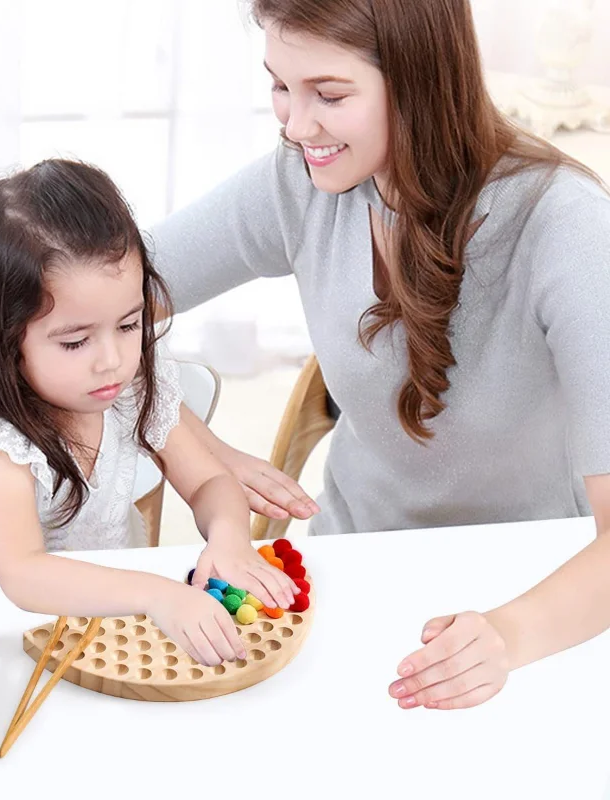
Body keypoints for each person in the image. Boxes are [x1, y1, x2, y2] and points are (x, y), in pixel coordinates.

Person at [149, 0, 610, 707]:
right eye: (280, 85)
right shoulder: (299, 182)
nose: (296, 126)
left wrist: (508, 636)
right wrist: (197, 445)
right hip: (352, 573)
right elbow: (87, 304)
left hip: (539, 599)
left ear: (421, 79)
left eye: (328, 95)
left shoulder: (565, 224)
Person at [0, 158, 298, 666]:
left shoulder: (130, 388)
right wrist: (160, 594)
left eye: (129, 325)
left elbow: (209, 481)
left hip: (61, 622)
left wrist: (229, 539)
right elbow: (24, 573)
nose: (113, 360)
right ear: (4, 340)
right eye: (76, 341)